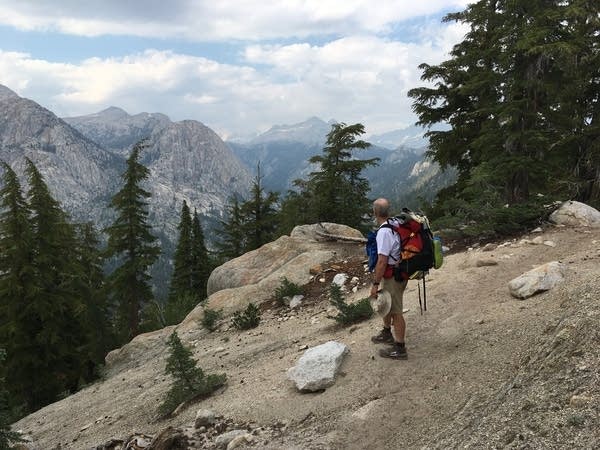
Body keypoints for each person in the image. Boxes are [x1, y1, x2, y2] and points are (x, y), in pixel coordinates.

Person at [370, 198, 409, 360]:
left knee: (396, 312)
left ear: (375, 212)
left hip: (393, 275)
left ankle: (400, 349)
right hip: (397, 272)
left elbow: (382, 261)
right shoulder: (394, 223)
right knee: (386, 303)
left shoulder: (384, 232)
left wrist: (375, 283)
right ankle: (387, 333)